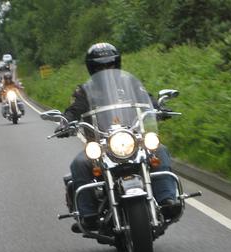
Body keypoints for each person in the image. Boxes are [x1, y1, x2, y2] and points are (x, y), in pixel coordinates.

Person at [57, 42, 181, 233]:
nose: (106, 70)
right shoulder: (84, 91)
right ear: (92, 68)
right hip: (101, 143)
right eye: (100, 66)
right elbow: (74, 110)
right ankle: (88, 214)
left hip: (132, 137)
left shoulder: (129, 83)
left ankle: (167, 200)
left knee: (159, 149)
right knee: (79, 164)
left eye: (110, 65)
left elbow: (146, 99)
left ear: (117, 64)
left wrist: (159, 108)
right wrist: (66, 121)